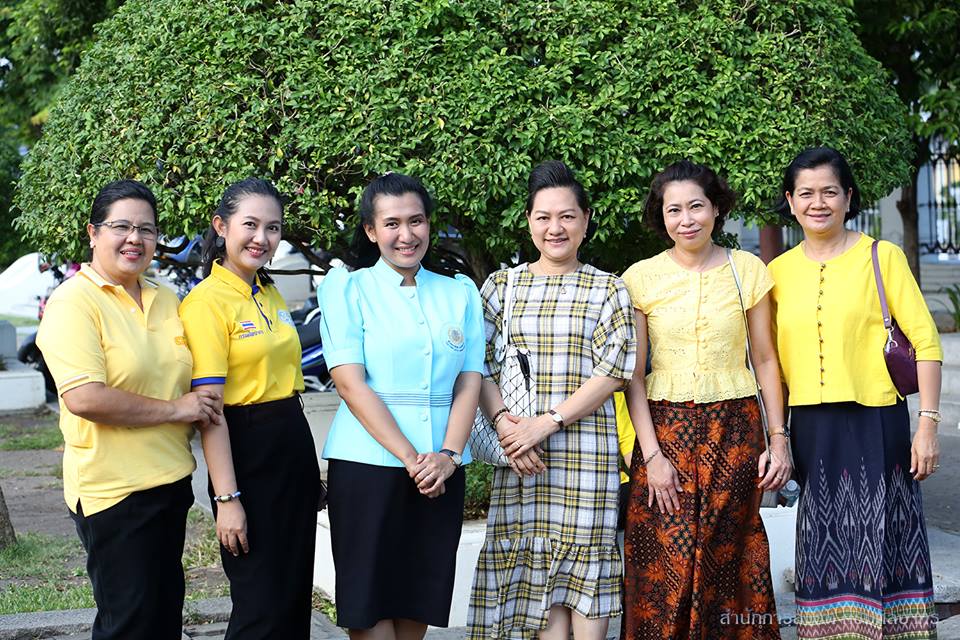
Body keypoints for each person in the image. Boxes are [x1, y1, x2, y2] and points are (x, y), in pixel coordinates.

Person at [769, 147, 941, 639]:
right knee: (822, 542)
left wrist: (927, 425)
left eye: (829, 191)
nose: (818, 202)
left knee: (883, 536)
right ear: (790, 201)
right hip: (811, 428)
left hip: (876, 422)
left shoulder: (881, 257)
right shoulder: (776, 273)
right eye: (806, 193)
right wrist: (777, 436)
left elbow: (926, 343)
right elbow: (770, 364)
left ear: (848, 197)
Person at [36, 179, 220, 639]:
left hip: (170, 483)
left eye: (146, 229)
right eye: (121, 227)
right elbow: (85, 397)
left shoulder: (165, 298)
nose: (134, 239)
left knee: (162, 619)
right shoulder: (74, 302)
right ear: (93, 233)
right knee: (129, 625)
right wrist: (176, 409)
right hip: (114, 493)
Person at [620, 160, 791, 639]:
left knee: (728, 549)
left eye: (696, 206)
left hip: (733, 430)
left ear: (716, 208)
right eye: (673, 210)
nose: (686, 219)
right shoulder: (640, 278)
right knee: (663, 556)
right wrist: (651, 456)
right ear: (662, 217)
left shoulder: (747, 270)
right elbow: (634, 376)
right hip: (663, 431)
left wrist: (778, 439)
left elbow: (765, 359)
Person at [468, 160, 637, 640]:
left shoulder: (608, 288)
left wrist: (545, 423)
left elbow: (612, 372)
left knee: (587, 565)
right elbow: (478, 364)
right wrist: (506, 427)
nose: (554, 228)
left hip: (584, 454)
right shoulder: (501, 287)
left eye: (566, 216)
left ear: (585, 220)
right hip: (520, 454)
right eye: (543, 217)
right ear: (528, 221)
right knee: (533, 579)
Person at [318, 172, 484, 640]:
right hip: (367, 467)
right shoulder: (347, 288)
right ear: (371, 231)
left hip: (441, 471)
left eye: (416, 221)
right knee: (369, 609)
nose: (406, 235)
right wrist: (413, 460)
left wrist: (448, 456)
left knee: (419, 598)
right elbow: (350, 384)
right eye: (391, 223)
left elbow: (469, 379)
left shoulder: (459, 292)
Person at [178, 178, 321, 639]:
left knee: (292, 597)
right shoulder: (205, 303)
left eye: (273, 228)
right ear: (222, 227)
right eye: (251, 225)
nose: (262, 238)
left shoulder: (268, 290)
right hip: (246, 449)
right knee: (260, 604)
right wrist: (227, 500)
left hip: (291, 441)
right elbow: (211, 411)